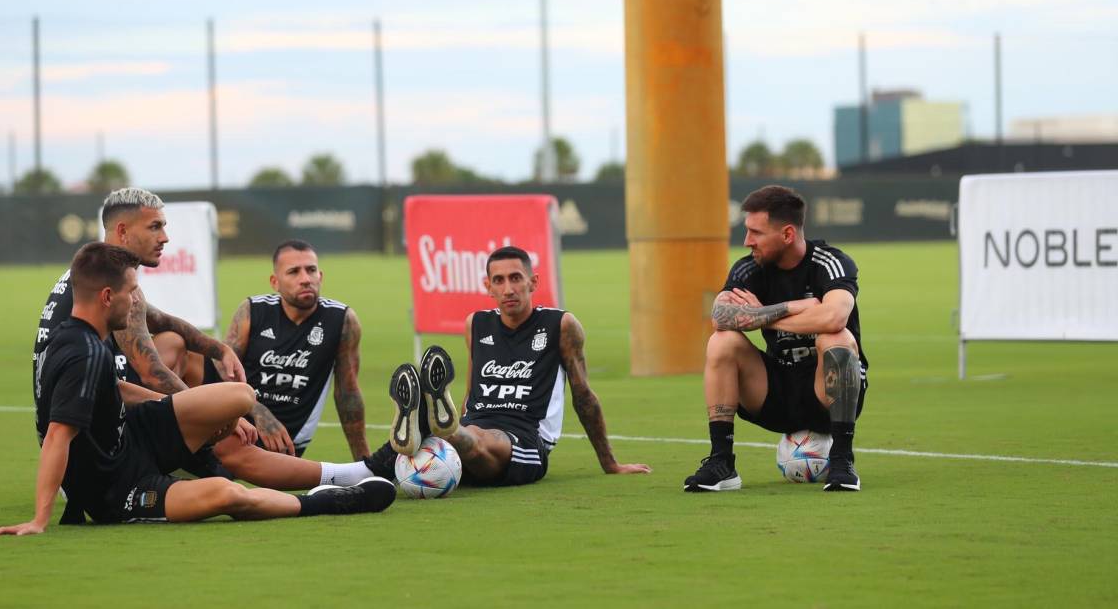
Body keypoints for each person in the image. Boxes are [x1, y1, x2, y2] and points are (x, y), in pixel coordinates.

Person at [0, 243, 393, 535]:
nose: (135, 306)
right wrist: (40, 519)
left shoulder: (79, 337)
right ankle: (330, 499)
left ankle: (206, 452)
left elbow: (114, 389)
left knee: (239, 398)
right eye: (131, 295)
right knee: (228, 494)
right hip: (118, 488)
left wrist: (196, 411)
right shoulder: (84, 353)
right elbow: (58, 434)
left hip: (133, 437)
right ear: (108, 296)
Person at [33, 188, 366, 494]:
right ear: (122, 231)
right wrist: (221, 418)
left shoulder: (92, 272)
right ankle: (352, 476)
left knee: (175, 344)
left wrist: (217, 348)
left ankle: (202, 462)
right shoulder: (113, 284)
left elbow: (158, 319)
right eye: (154, 227)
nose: (165, 237)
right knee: (229, 447)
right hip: (89, 453)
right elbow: (150, 373)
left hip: (71, 436)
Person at [370, 245, 651, 487]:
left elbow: (584, 396)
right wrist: (465, 416)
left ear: (533, 282)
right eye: (499, 280)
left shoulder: (560, 325)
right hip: (475, 421)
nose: (508, 289)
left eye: (516, 278)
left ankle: (443, 428)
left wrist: (609, 462)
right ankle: (438, 429)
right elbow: (471, 392)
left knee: (481, 444)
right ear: (488, 287)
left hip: (526, 436)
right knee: (443, 452)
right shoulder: (476, 324)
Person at [683, 185, 868, 493]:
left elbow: (834, 317)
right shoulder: (749, 268)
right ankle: (721, 463)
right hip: (777, 390)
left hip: (827, 392)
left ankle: (842, 460)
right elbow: (720, 316)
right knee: (721, 341)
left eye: (756, 232)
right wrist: (794, 308)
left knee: (836, 338)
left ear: (787, 235)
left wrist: (761, 315)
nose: (747, 241)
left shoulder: (830, 262)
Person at [189, 239, 370, 462]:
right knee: (174, 343)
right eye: (294, 272)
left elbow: (348, 394)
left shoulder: (341, 320)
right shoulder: (253, 310)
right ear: (275, 282)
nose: (305, 279)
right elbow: (223, 369)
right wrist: (256, 410)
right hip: (239, 422)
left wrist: (364, 462)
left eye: (311, 270)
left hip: (283, 440)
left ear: (320, 276)